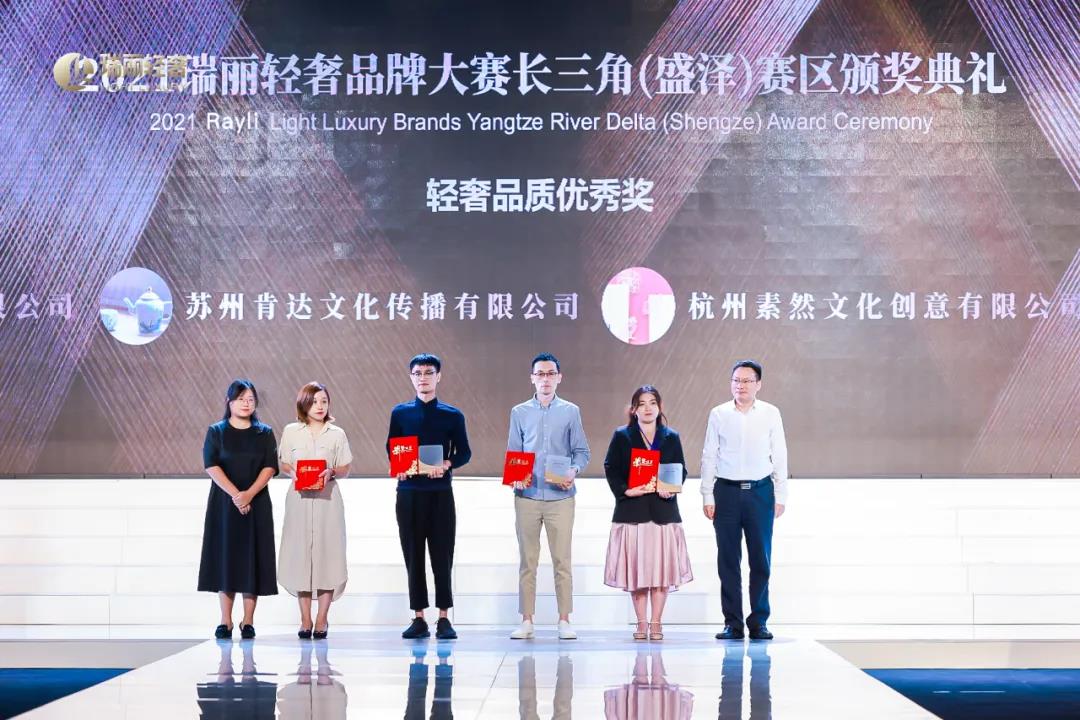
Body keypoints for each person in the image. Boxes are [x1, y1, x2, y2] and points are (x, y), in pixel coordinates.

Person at [700, 360, 788, 641]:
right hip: (726, 492)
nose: (741, 385)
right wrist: (707, 494)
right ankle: (732, 623)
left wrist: (780, 494)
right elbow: (709, 455)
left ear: (758, 384)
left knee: (761, 559)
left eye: (748, 381)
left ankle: (759, 622)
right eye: (736, 380)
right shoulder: (719, 414)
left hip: (760, 492)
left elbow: (780, 454)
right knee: (728, 560)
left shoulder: (771, 413)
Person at [507, 353, 590, 641]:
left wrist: (573, 471)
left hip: (561, 497)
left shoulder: (570, 411)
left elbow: (582, 452)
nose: (545, 379)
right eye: (540, 374)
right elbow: (514, 453)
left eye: (550, 373)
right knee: (527, 561)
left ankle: (564, 619)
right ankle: (526, 620)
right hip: (527, 496)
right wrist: (516, 475)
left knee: (562, 561)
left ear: (559, 377)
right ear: (532, 378)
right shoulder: (519, 412)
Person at [388, 354, 471, 640]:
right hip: (409, 494)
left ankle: (444, 617)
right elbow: (392, 449)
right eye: (418, 373)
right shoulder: (400, 413)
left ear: (438, 376)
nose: (423, 377)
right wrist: (399, 467)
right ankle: (419, 616)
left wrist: (447, 464)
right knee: (413, 555)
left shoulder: (452, 415)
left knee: (442, 554)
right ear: (411, 377)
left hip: (440, 494)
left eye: (428, 372)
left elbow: (464, 452)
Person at [603, 385, 693, 641]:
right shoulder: (622, 435)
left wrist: (670, 489)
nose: (647, 408)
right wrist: (625, 490)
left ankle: (656, 623)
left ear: (659, 407)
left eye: (652, 403)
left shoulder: (671, 436)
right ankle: (641, 623)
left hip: (663, 513)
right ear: (633, 409)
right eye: (641, 404)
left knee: (661, 573)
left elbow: (680, 469)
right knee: (638, 573)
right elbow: (611, 467)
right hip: (633, 512)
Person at [198, 379, 279, 640]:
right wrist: (236, 495)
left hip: (257, 503)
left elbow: (270, 467)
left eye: (250, 399)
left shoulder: (264, 433)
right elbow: (211, 465)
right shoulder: (216, 431)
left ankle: (248, 621)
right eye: (241, 398)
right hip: (224, 505)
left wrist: (248, 495)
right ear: (229, 402)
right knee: (227, 559)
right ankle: (225, 620)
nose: (246, 403)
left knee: (252, 559)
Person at [278, 382, 353, 640]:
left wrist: (331, 472)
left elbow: (345, 468)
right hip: (299, 501)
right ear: (304, 404)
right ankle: (305, 619)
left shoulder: (337, 434)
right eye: (314, 402)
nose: (320, 406)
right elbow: (284, 462)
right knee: (301, 557)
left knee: (327, 556)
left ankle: (322, 618)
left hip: (327, 501)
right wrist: (292, 472)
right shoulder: (291, 431)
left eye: (324, 401)